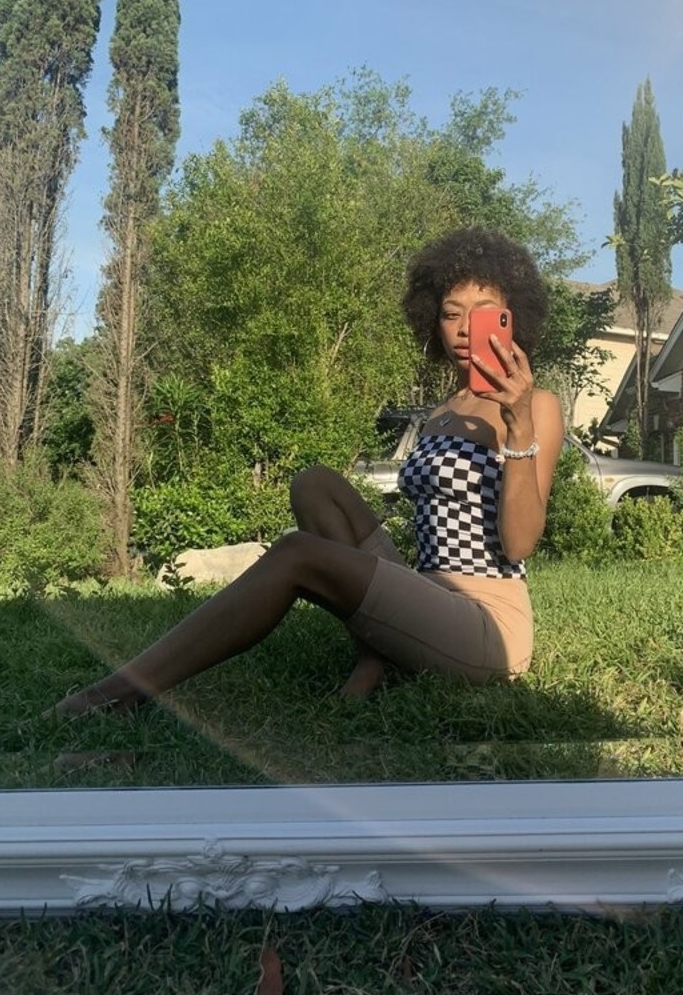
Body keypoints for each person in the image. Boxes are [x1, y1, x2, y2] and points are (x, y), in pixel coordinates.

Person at [50, 226, 564, 716]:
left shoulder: (536, 405)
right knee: (315, 484)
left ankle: (115, 694)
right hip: (427, 594)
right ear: (433, 321)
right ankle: (377, 655)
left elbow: (519, 545)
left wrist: (518, 426)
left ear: (512, 318)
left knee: (298, 552)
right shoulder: (441, 413)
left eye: (484, 313)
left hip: (488, 621)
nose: (465, 328)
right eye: (452, 313)